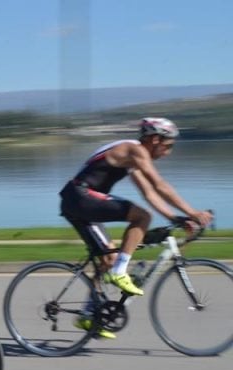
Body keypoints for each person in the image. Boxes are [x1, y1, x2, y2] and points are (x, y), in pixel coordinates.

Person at [59, 117, 213, 337]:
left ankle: (87, 315)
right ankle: (120, 272)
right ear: (155, 139)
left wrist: (174, 218)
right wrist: (193, 213)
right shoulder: (135, 150)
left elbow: (149, 192)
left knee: (107, 259)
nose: (167, 153)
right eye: (167, 146)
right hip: (81, 197)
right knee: (141, 217)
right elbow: (159, 185)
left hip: (77, 200)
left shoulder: (133, 158)